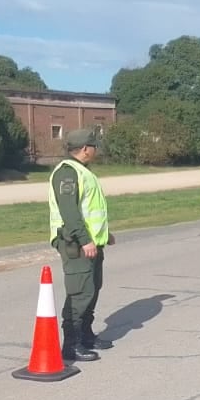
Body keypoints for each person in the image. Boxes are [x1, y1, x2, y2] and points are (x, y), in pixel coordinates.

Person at [48, 127, 115, 362]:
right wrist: (85, 240)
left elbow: (90, 210)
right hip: (75, 243)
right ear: (86, 149)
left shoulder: (82, 171)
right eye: (94, 146)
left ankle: (87, 335)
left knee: (92, 289)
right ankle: (71, 344)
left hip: (91, 242)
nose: (96, 150)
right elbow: (70, 212)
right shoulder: (67, 173)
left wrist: (105, 234)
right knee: (80, 292)